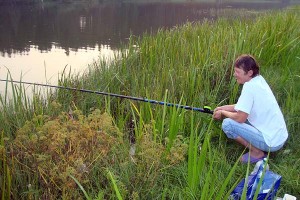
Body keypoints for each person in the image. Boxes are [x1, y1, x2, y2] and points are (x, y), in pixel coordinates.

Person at [213, 54, 288, 163]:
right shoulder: (258, 80)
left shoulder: (249, 87)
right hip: (280, 137)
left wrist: (223, 113)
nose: (234, 75)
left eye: (237, 72)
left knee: (227, 124)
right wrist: (221, 107)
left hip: (271, 142)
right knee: (237, 117)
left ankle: (257, 152)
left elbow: (240, 118)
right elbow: (242, 107)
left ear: (249, 73)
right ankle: (259, 148)